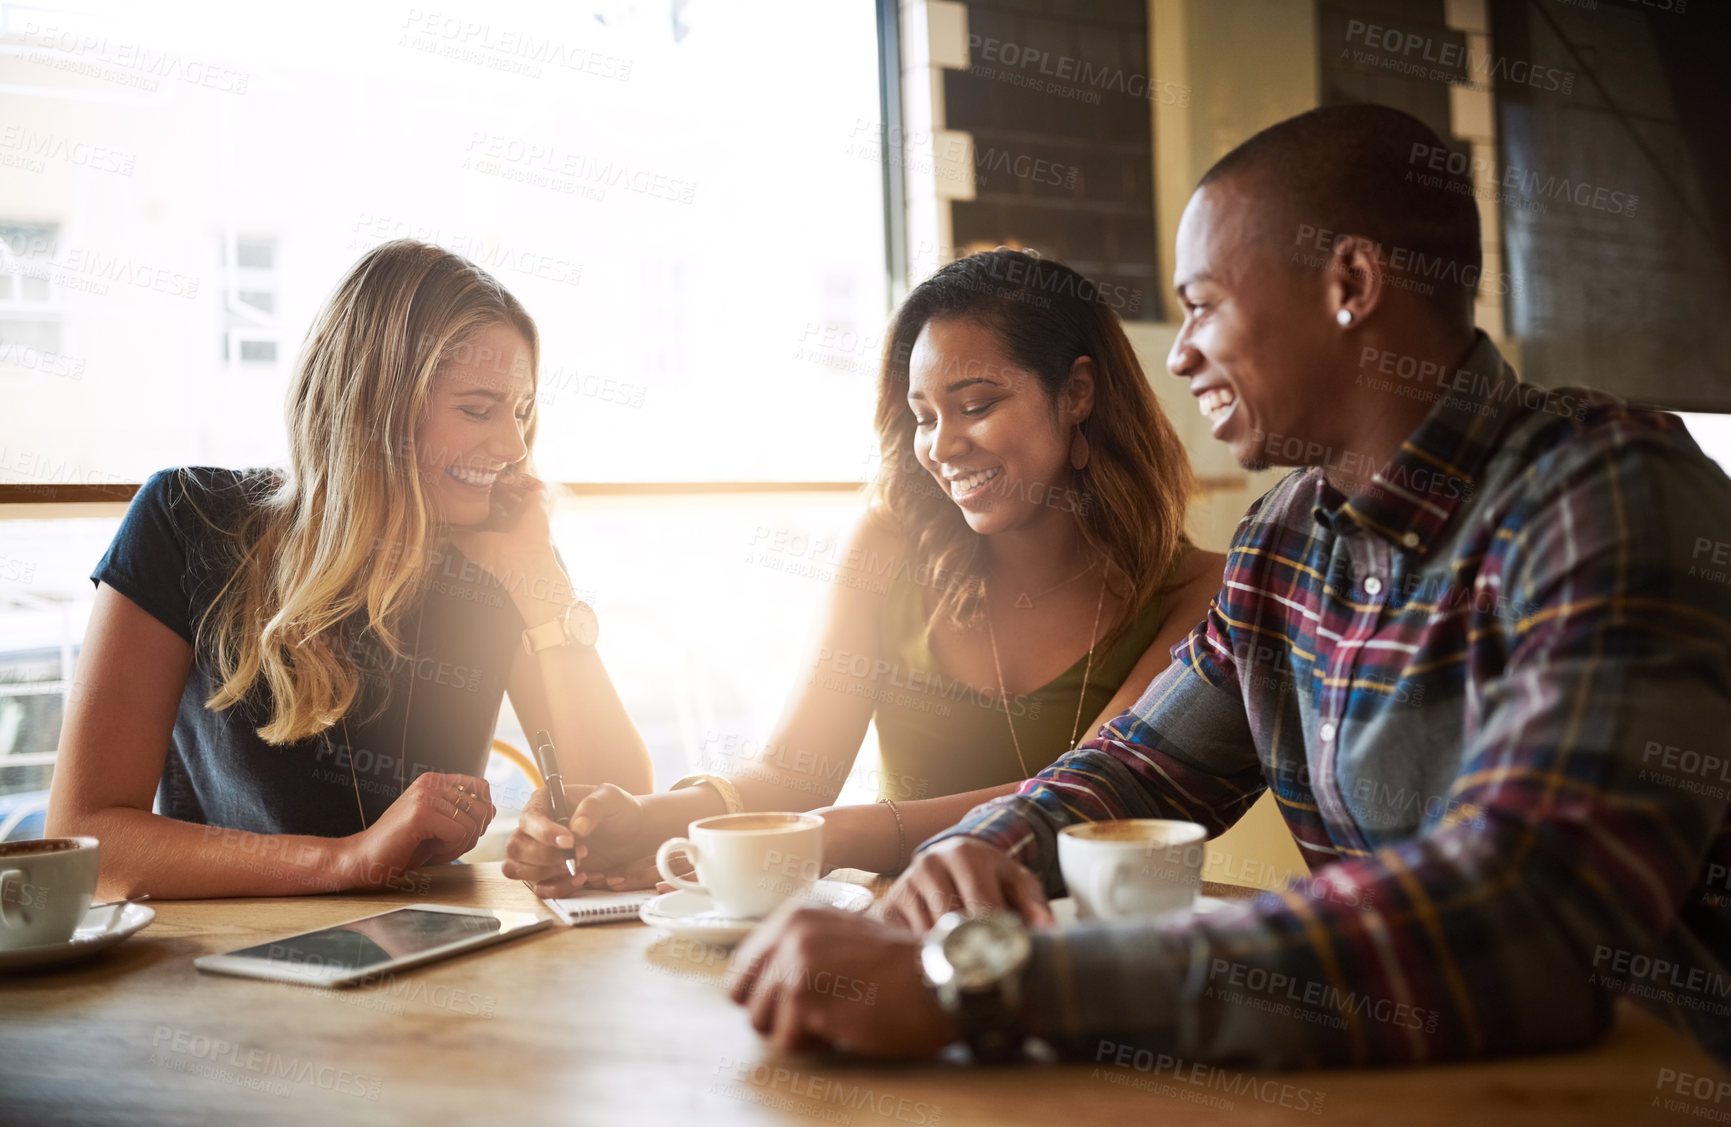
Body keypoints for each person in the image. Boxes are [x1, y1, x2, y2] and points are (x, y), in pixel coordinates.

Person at [726, 103, 1731, 1068]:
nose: (1179, 351)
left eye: (1203, 302)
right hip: (1417, 1094)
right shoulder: (1285, 541)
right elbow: (1131, 772)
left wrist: (988, 979)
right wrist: (974, 856)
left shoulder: (1609, 495)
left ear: (1351, 280)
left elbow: (1528, 921)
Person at [505, 250, 1221, 895]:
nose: (942, 446)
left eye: (976, 405)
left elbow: (1096, 796)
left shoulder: (1200, 593)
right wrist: (650, 818)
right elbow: (791, 771)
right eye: (922, 417)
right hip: (896, 947)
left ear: (1077, 393)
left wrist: (839, 834)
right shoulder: (889, 547)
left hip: (1096, 958)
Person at [46, 240, 651, 900]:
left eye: (522, 411)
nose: (510, 446)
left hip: (429, 960)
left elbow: (627, 807)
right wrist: (347, 860)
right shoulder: (184, 520)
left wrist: (541, 581)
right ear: (373, 406)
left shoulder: (503, 549)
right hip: (224, 971)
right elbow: (88, 838)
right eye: (477, 409)